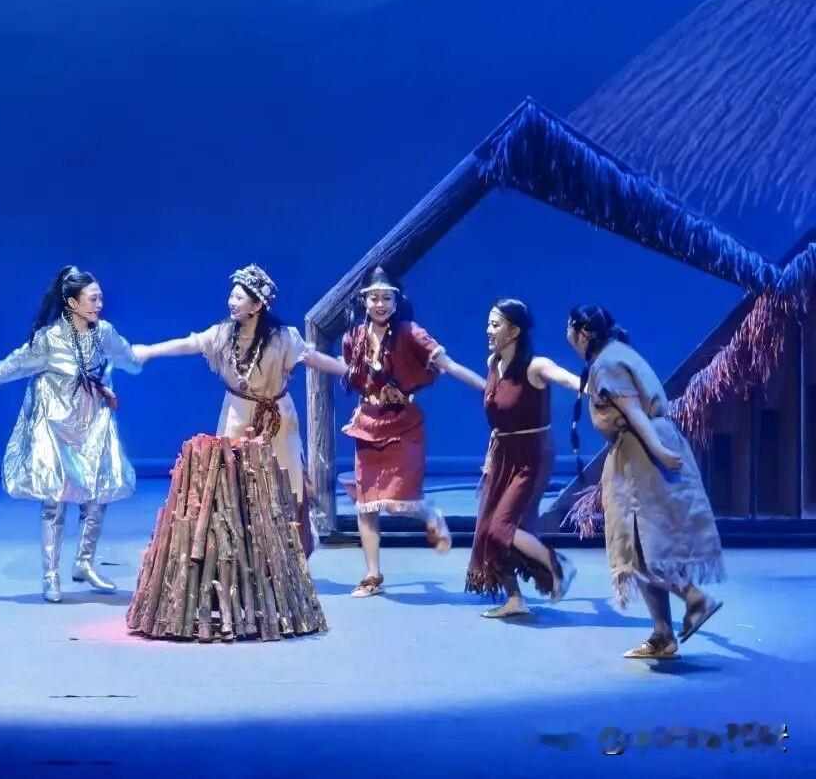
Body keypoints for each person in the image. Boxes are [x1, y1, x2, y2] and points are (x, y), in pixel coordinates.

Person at [133, 263, 338, 556]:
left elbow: (311, 357)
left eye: (239, 297)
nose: (231, 301)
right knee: (234, 480)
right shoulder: (223, 334)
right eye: (231, 296)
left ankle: (289, 553)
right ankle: (241, 555)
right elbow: (190, 343)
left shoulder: (282, 337)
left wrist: (344, 369)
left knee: (287, 480)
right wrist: (151, 351)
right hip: (237, 413)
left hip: (277, 417)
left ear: (257, 305)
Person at [310, 267, 486, 596]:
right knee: (366, 504)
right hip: (368, 422)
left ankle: (431, 514)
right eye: (374, 298)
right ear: (364, 301)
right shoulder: (354, 338)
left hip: (403, 422)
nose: (380, 304)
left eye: (386, 298)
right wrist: (308, 356)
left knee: (398, 501)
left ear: (396, 300)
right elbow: (350, 372)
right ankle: (372, 575)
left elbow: (448, 365)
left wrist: (486, 388)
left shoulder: (410, 333)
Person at [0, 266, 141, 603]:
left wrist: (128, 366)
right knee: (54, 501)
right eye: (93, 299)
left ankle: (84, 563)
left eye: (100, 298)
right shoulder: (49, 339)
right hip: (56, 426)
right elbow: (12, 365)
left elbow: (126, 357)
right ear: (72, 303)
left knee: (97, 495)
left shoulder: (103, 332)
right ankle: (50, 575)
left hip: (92, 426)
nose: (99, 304)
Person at [568, 304, 725, 659]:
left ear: (583, 332)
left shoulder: (608, 362)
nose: (568, 336)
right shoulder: (619, 353)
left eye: (570, 328)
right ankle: (662, 635)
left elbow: (633, 411)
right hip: (643, 448)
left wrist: (657, 449)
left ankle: (694, 599)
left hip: (641, 451)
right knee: (641, 542)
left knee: (640, 544)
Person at [467, 299, 578, 617]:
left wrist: (592, 386)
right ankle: (515, 598)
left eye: (496, 325)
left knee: (501, 526)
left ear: (514, 331)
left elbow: (564, 377)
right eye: (489, 323)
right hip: (502, 453)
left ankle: (558, 567)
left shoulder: (535, 366)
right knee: (492, 525)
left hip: (532, 455)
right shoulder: (493, 363)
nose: (489, 330)